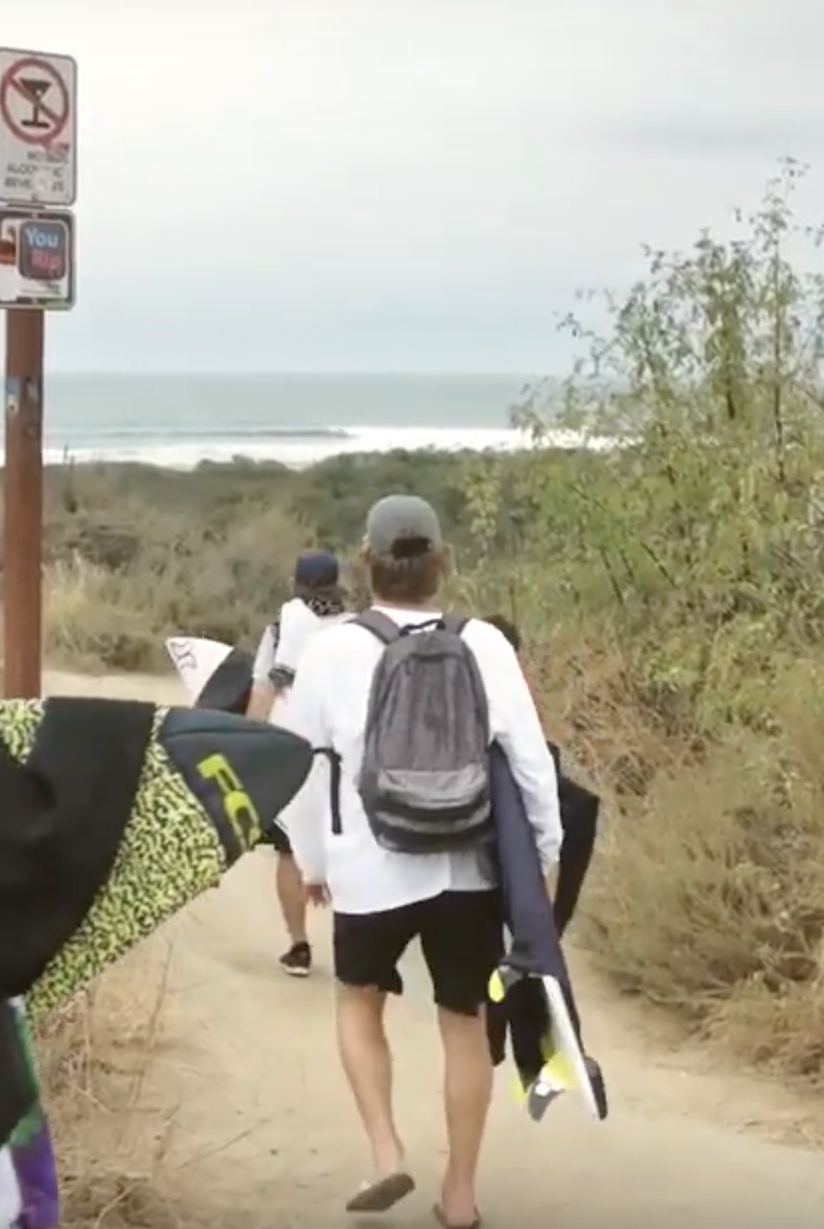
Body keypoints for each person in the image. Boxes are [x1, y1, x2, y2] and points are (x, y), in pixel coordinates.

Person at [280, 496, 560, 1229]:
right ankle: (460, 1196)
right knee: (465, 1021)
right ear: (441, 561)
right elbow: (532, 764)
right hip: (467, 868)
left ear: (365, 562)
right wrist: (541, 859)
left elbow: (300, 767)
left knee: (357, 1001)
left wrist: (311, 861)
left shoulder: (331, 650)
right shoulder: (485, 644)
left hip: (369, 866)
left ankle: (385, 1153)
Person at [244, 548, 351, 977]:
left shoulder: (281, 626)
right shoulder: (356, 627)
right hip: (344, 753)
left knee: (290, 847)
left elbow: (264, 688)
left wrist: (249, 742)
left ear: (296, 583)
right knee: (346, 850)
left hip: (293, 748)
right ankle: (351, 947)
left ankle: (299, 944)